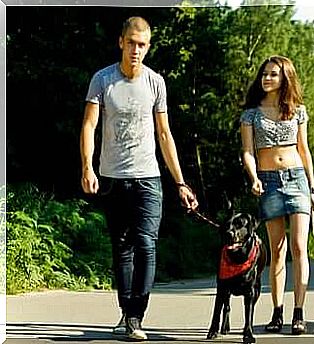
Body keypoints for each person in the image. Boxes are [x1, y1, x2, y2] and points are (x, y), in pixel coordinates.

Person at [80, 16, 198, 341]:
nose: (136, 50)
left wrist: (180, 182)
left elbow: (164, 133)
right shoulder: (102, 79)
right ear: (121, 42)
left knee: (146, 243)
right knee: (121, 248)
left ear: (148, 47)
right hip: (113, 176)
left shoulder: (155, 82)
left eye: (142, 44)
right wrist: (87, 167)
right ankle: (126, 312)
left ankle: (135, 316)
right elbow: (89, 125)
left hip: (148, 177)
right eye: (131, 42)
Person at [240, 55, 314, 335]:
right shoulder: (251, 113)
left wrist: (312, 189)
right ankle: (277, 313)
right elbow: (248, 151)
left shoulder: (298, 111)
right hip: (268, 181)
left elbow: (304, 149)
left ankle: (299, 313)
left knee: (299, 247)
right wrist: (254, 178)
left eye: (273, 74)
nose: (267, 78)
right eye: (265, 74)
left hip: (297, 178)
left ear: (285, 78)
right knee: (277, 250)